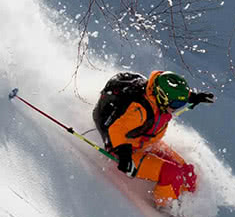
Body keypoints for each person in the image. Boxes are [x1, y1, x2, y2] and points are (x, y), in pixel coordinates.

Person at [92, 70, 216, 209]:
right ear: (162, 97)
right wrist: (124, 155)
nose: (176, 109)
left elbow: (178, 96)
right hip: (125, 150)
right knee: (171, 173)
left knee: (187, 172)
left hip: (145, 142)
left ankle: (186, 207)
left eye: (179, 105)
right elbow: (116, 130)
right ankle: (168, 208)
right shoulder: (139, 110)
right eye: (175, 105)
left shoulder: (161, 96)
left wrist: (194, 97)